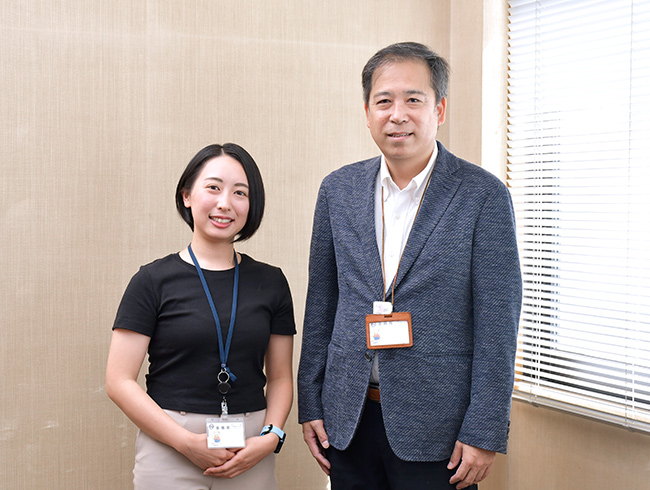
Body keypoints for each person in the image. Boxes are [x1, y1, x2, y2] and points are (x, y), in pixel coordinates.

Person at [297, 42, 522, 490]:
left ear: (439, 109)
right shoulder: (337, 190)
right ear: (367, 113)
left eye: (413, 100)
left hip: (440, 428)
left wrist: (484, 429)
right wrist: (311, 402)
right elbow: (322, 303)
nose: (397, 114)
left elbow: (498, 322)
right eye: (384, 101)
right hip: (349, 416)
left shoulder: (483, 196)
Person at [106, 143, 295, 489]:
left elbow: (281, 377)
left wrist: (272, 437)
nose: (225, 203)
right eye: (213, 187)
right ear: (187, 196)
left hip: (250, 450)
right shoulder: (151, 280)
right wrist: (185, 442)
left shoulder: (272, 282)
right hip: (170, 445)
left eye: (240, 192)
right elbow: (118, 381)